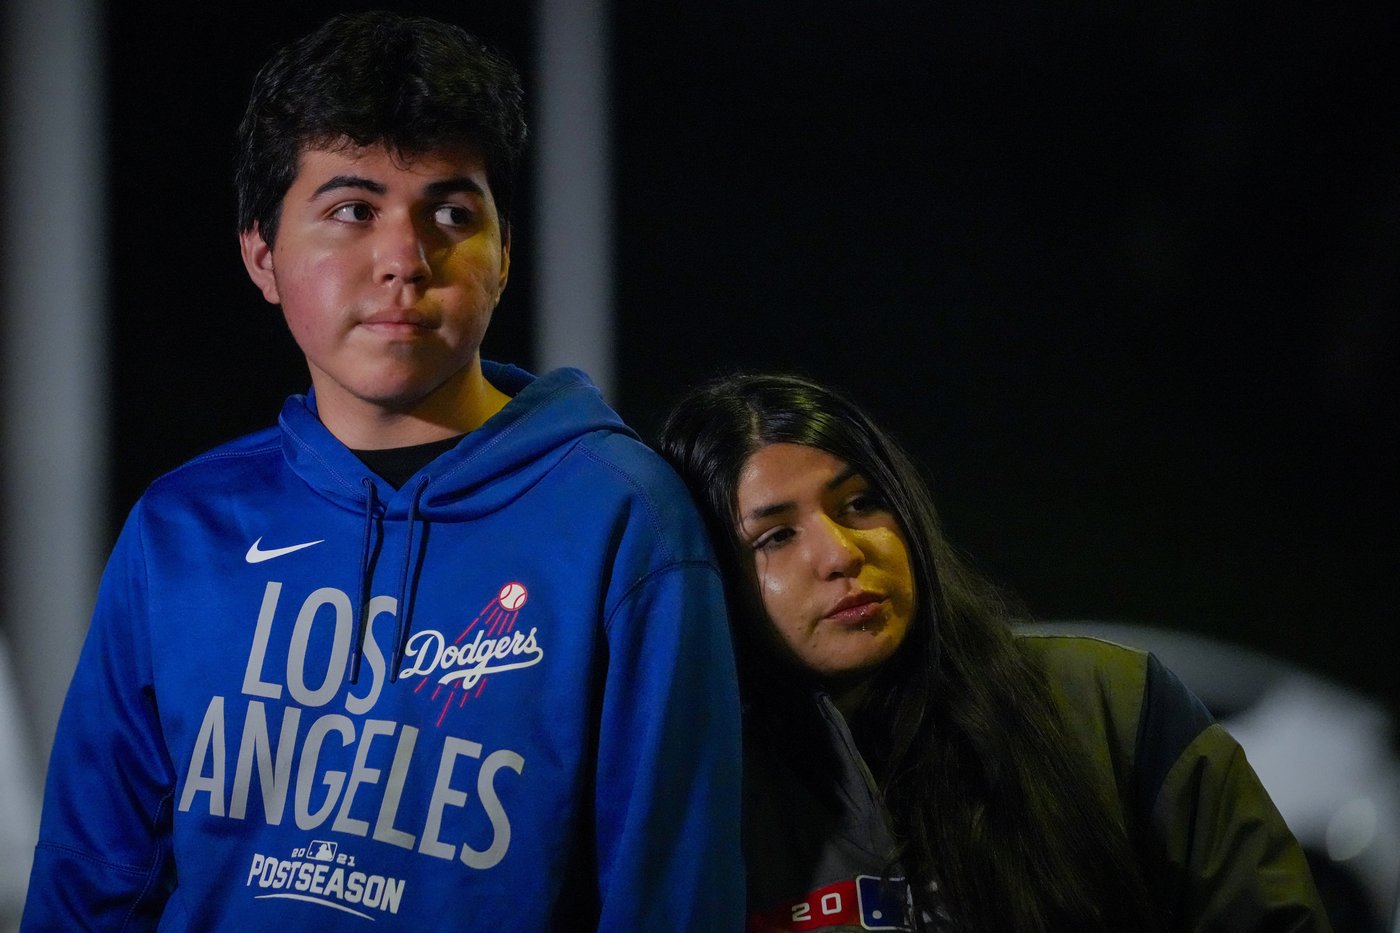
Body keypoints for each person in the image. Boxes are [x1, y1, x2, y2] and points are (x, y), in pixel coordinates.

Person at [22, 12, 743, 931]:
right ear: (262, 256)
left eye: (451, 213)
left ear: (504, 254)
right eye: (352, 211)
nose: (405, 260)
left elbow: (672, 893)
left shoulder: (623, 517)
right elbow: (90, 881)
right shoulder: (181, 529)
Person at [658, 371, 1332, 933]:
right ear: (712, 573)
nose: (840, 553)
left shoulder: (1109, 708)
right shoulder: (696, 801)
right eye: (775, 537)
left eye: (861, 502)